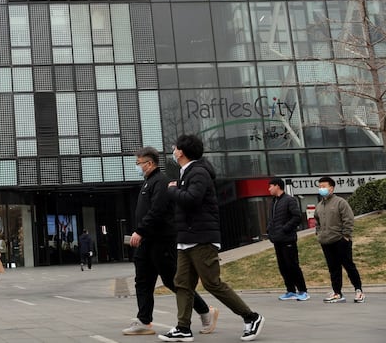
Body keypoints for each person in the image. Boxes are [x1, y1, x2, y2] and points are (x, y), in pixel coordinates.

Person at [159, 135, 264, 342]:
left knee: (212, 283)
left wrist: (172, 191)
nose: (173, 150)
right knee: (182, 283)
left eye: (175, 147)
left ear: (181, 152)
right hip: (187, 238)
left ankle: (251, 317)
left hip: (201, 238)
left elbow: (191, 199)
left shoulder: (198, 172)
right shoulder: (186, 172)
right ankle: (183, 327)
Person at [123, 147, 218, 337]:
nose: (137, 167)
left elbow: (157, 211)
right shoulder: (148, 182)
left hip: (161, 241)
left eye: (138, 164)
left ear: (149, 163)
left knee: (172, 280)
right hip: (146, 242)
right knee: (142, 280)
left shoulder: (161, 182)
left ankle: (206, 311)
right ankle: (143, 320)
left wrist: (140, 231)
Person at [315, 176, 365, 304]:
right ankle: (337, 293)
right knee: (333, 268)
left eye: (324, 186)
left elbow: (348, 219)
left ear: (331, 188)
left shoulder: (340, 202)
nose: (321, 189)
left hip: (340, 240)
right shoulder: (319, 205)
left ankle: (359, 291)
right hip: (326, 241)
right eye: (319, 187)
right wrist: (319, 235)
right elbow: (318, 222)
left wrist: (346, 236)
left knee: (349, 266)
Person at [267, 177, 309, 301]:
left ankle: (303, 291)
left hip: (288, 239)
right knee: (282, 266)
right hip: (277, 240)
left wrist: (285, 229)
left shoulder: (289, 200)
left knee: (292, 265)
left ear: (277, 186)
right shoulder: (273, 202)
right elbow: (272, 220)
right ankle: (290, 290)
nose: (269, 189)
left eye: (270, 186)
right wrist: (269, 231)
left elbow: (296, 217)